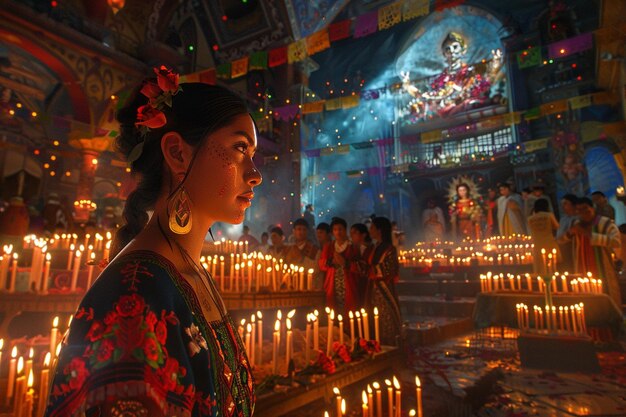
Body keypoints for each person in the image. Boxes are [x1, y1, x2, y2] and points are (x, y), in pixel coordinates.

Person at [44, 69, 260, 417]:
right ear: (177, 153)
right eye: (239, 148)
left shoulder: (187, 269)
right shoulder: (135, 295)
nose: (255, 173)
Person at [563, 197, 621, 306]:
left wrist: (588, 234)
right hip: (582, 268)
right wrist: (570, 234)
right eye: (579, 211)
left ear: (592, 208)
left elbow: (616, 242)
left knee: (607, 297)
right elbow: (562, 240)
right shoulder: (576, 223)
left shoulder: (605, 223)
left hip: (603, 268)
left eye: (586, 210)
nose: (583, 214)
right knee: (587, 298)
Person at [365, 217, 402, 346]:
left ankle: (391, 348)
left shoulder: (389, 249)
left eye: (372, 228)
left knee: (387, 321)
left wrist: (366, 269)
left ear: (379, 230)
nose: (370, 230)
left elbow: (388, 270)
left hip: (384, 290)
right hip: (374, 290)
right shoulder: (376, 247)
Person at [319, 217, 359, 314]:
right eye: (335, 230)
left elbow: (359, 266)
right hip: (333, 283)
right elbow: (321, 264)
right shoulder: (329, 247)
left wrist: (346, 263)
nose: (338, 232)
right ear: (332, 232)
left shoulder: (353, 247)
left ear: (345, 230)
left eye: (340, 229)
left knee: (349, 309)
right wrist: (331, 261)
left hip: (349, 283)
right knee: (333, 310)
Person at [527, 199, 559, 275]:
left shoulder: (530, 219)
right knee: (552, 266)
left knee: (540, 268)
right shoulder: (549, 215)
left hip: (537, 245)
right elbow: (557, 226)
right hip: (549, 242)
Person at [349, 223, 374, 308]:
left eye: (354, 233)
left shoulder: (372, 249)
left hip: (369, 285)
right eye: (350, 233)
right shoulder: (353, 249)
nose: (351, 236)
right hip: (356, 285)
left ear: (363, 235)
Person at [555, 194, 578, 271]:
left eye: (565, 204)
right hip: (563, 250)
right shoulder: (563, 219)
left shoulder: (578, 219)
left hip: (574, 249)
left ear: (574, 205)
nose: (563, 207)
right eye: (562, 204)